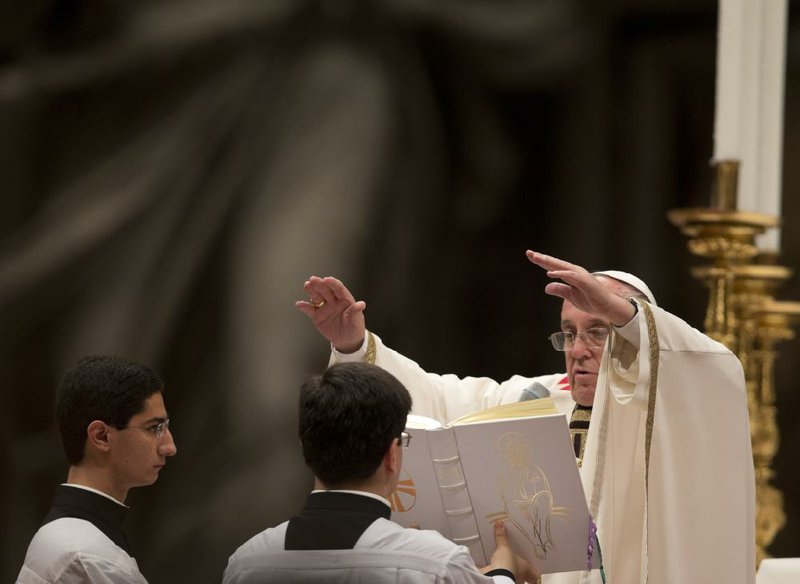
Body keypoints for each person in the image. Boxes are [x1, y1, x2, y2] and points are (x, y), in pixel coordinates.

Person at [296, 250, 755, 584]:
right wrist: (354, 346)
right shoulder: (533, 397)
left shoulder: (668, 410)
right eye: (570, 334)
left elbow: (714, 375)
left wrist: (623, 313)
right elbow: (432, 398)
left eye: (599, 331)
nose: (577, 351)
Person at [222, 362, 538, 583]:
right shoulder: (434, 565)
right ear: (392, 455)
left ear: (305, 445)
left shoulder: (247, 563)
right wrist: (503, 573)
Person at [17, 355, 178, 584]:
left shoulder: (74, 541)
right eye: (154, 428)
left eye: (166, 427)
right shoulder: (86, 556)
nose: (169, 447)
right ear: (101, 436)